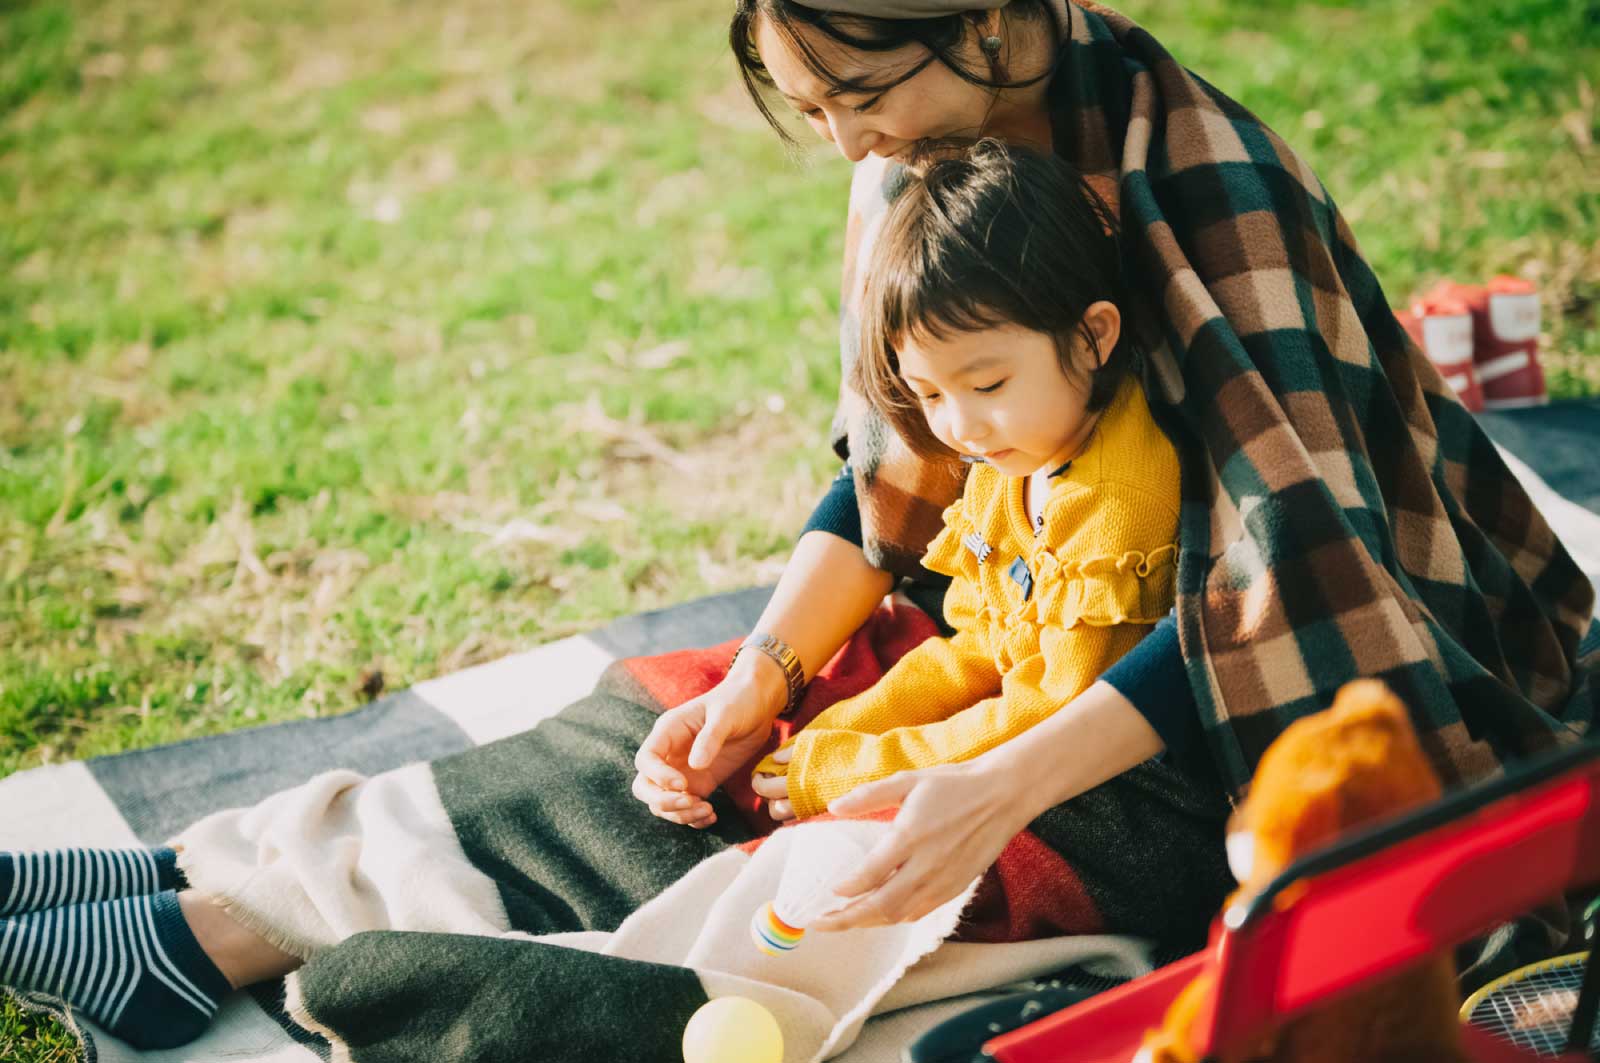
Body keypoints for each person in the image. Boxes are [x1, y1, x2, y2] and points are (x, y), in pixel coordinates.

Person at [1, 0, 1591, 1054]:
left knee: (859, 844)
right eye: (800, 97)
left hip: (1271, 698)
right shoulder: (914, 151)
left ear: (988, 22)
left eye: (858, 90)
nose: (841, 141)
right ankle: (192, 898)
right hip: (1026, 620)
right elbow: (898, 467)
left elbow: (1290, 590)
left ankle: (211, 932)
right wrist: (765, 670)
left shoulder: (1205, 181)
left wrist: (987, 783)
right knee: (670, 716)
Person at [734, 139, 1205, 825]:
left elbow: (1047, 705)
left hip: (1110, 779)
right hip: (1022, 727)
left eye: (988, 383)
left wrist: (860, 770)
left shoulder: (1116, 501)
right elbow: (977, 652)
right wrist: (834, 735)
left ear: (1094, 335)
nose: (960, 426)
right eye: (927, 393)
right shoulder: (1014, 452)